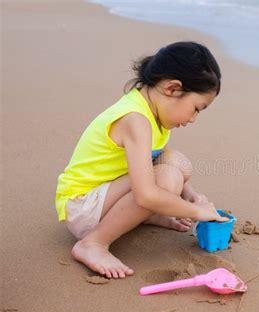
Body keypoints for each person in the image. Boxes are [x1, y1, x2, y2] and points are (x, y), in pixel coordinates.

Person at [55, 41, 228, 279]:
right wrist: (196, 211)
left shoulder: (155, 113)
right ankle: (93, 243)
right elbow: (146, 193)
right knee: (166, 179)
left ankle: (148, 215)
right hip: (82, 206)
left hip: (106, 194)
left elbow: (161, 157)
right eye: (197, 108)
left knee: (176, 162)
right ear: (172, 88)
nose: (193, 119)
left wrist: (190, 194)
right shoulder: (135, 119)